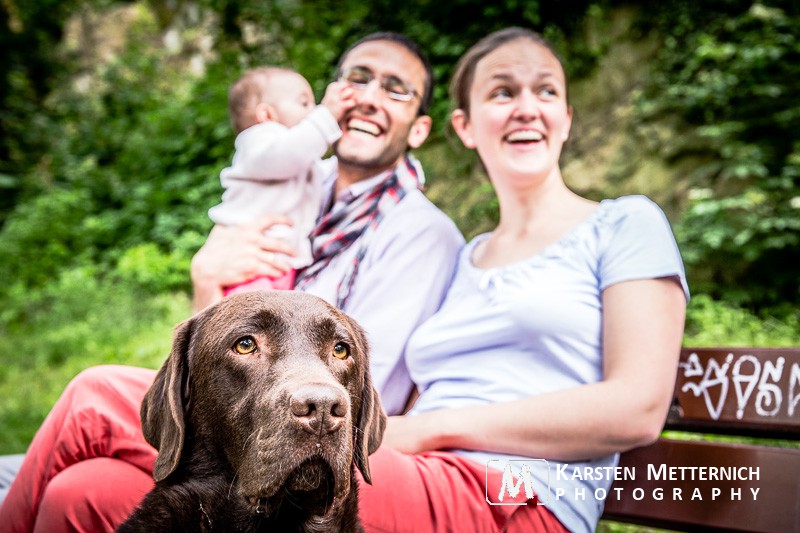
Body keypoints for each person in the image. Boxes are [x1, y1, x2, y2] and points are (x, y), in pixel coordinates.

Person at [0, 32, 464, 531]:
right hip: (239, 434)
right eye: (358, 78)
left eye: (396, 90)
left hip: (312, 439)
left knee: (94, 396)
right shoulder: (294, 181)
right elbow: (216, 351)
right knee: (78, 492)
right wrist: (206, 278)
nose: (369, 96)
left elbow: (361, 385)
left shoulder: (421, 232)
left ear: (419, 129)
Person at [350, 27, 689, 533]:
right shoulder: (465, 259)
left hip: (520, 496)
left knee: (294, 492)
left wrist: (430, 431)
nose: (527, 107)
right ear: (465, 126)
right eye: (503, 92)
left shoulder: (625, 225)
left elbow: (637, 407)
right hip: (422, 478)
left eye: (546, 90)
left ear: (566, 119)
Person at [208, 66, 355, 293]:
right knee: (251, 320)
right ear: (266, 115)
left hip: (279, 264)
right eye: (304, 103)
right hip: (248, 265)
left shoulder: (296, 157)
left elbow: (329, 170)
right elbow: (289, 154)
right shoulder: (257, 141)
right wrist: (327, 115)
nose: (314, 110)